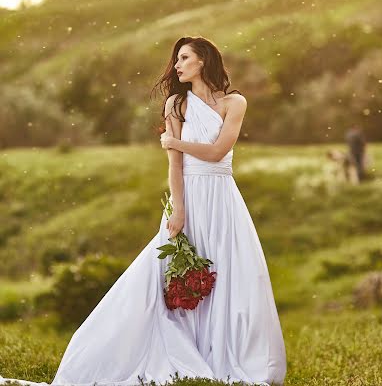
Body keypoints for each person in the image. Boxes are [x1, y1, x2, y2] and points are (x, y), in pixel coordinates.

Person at [0, 36, 286, 386]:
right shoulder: (176, 105)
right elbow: (175, 166)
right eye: (176, 59)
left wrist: (174, 141)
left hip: (224, 198)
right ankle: (136, 349)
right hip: (190, 197)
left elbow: (216, 153)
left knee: (233, 274)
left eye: (184, 58)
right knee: (168, 275)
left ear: (204, 60)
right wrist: (177, 209)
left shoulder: (234, 102)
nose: (176, 65)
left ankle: (230, 353)